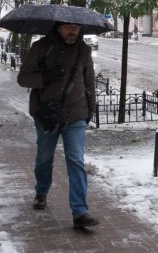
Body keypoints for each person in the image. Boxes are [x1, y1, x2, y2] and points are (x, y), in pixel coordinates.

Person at [17, 22, 99, 228]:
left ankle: (80, 211)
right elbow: (23, 78)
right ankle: (42, 191)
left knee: (76, 161)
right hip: (47, 114)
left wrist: (90, 109)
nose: (73, 31)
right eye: (68, 27)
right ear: (58, 28)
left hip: (76, 114)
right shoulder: (41, 47)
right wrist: (45, 77)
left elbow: (89, 82)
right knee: (44, 158)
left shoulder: (84, 50)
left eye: (76, 28)